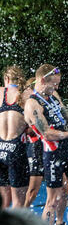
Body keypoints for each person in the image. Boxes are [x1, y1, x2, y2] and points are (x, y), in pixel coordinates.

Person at [24, 64, 68, 225]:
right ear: (42, 80)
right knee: (53, 201)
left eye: (58, 84)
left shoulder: (53, 97)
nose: (57, 87)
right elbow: (47, 134)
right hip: (53, 152)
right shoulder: (32, 104)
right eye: (54, 84)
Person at [0, 66, 29, 208]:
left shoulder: (0, 92)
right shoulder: (25, 94)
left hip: (0, 149)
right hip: (16, 150)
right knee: (19, 203)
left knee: (3, 202)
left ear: (6, 79)